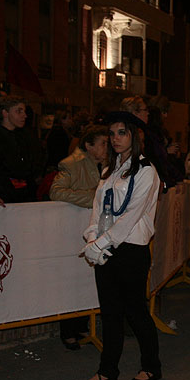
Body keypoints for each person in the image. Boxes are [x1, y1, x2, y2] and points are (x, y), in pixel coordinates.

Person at [77, 111, 162, 380]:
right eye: (111, 134)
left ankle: (151, 367)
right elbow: (98, 207)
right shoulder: (110, 169)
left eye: (121, 132)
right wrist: (92, 237)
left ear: (134, 136)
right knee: (110, 312)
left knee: (136, 312)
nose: (115, 139)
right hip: (106, 248)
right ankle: (107, 371)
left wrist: (100, 243)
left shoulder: (146, 170)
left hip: (131, 249)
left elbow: (131, 216)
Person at [49, 125, 108, 350]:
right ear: (89, 146)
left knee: (89, 279)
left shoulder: (107, 164)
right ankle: (69, 330)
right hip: (73, 231)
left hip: (96, 230)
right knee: (72, 280)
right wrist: (92, 198)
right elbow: (56, 192)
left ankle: (83, 323)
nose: (106, 147)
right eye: (102, 143)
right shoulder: (70, 164)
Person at [0, 96, 38, 203]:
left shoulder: (24, 136)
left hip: (24, 195)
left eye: (24, 111)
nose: (25, 115)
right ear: (5, 113)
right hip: (4, 197)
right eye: (19, 111)